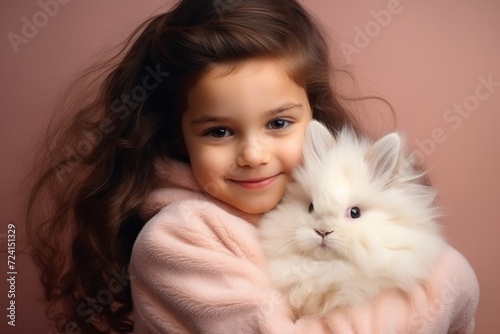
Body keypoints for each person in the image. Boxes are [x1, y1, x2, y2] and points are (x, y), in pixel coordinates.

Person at [25, 0, 479, 333]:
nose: (254, 154)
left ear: (313, 117)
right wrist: (441, 286)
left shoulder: (311, 208)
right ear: (176, 135)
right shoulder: (179, 237)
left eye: (278, 123)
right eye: (219, 132)